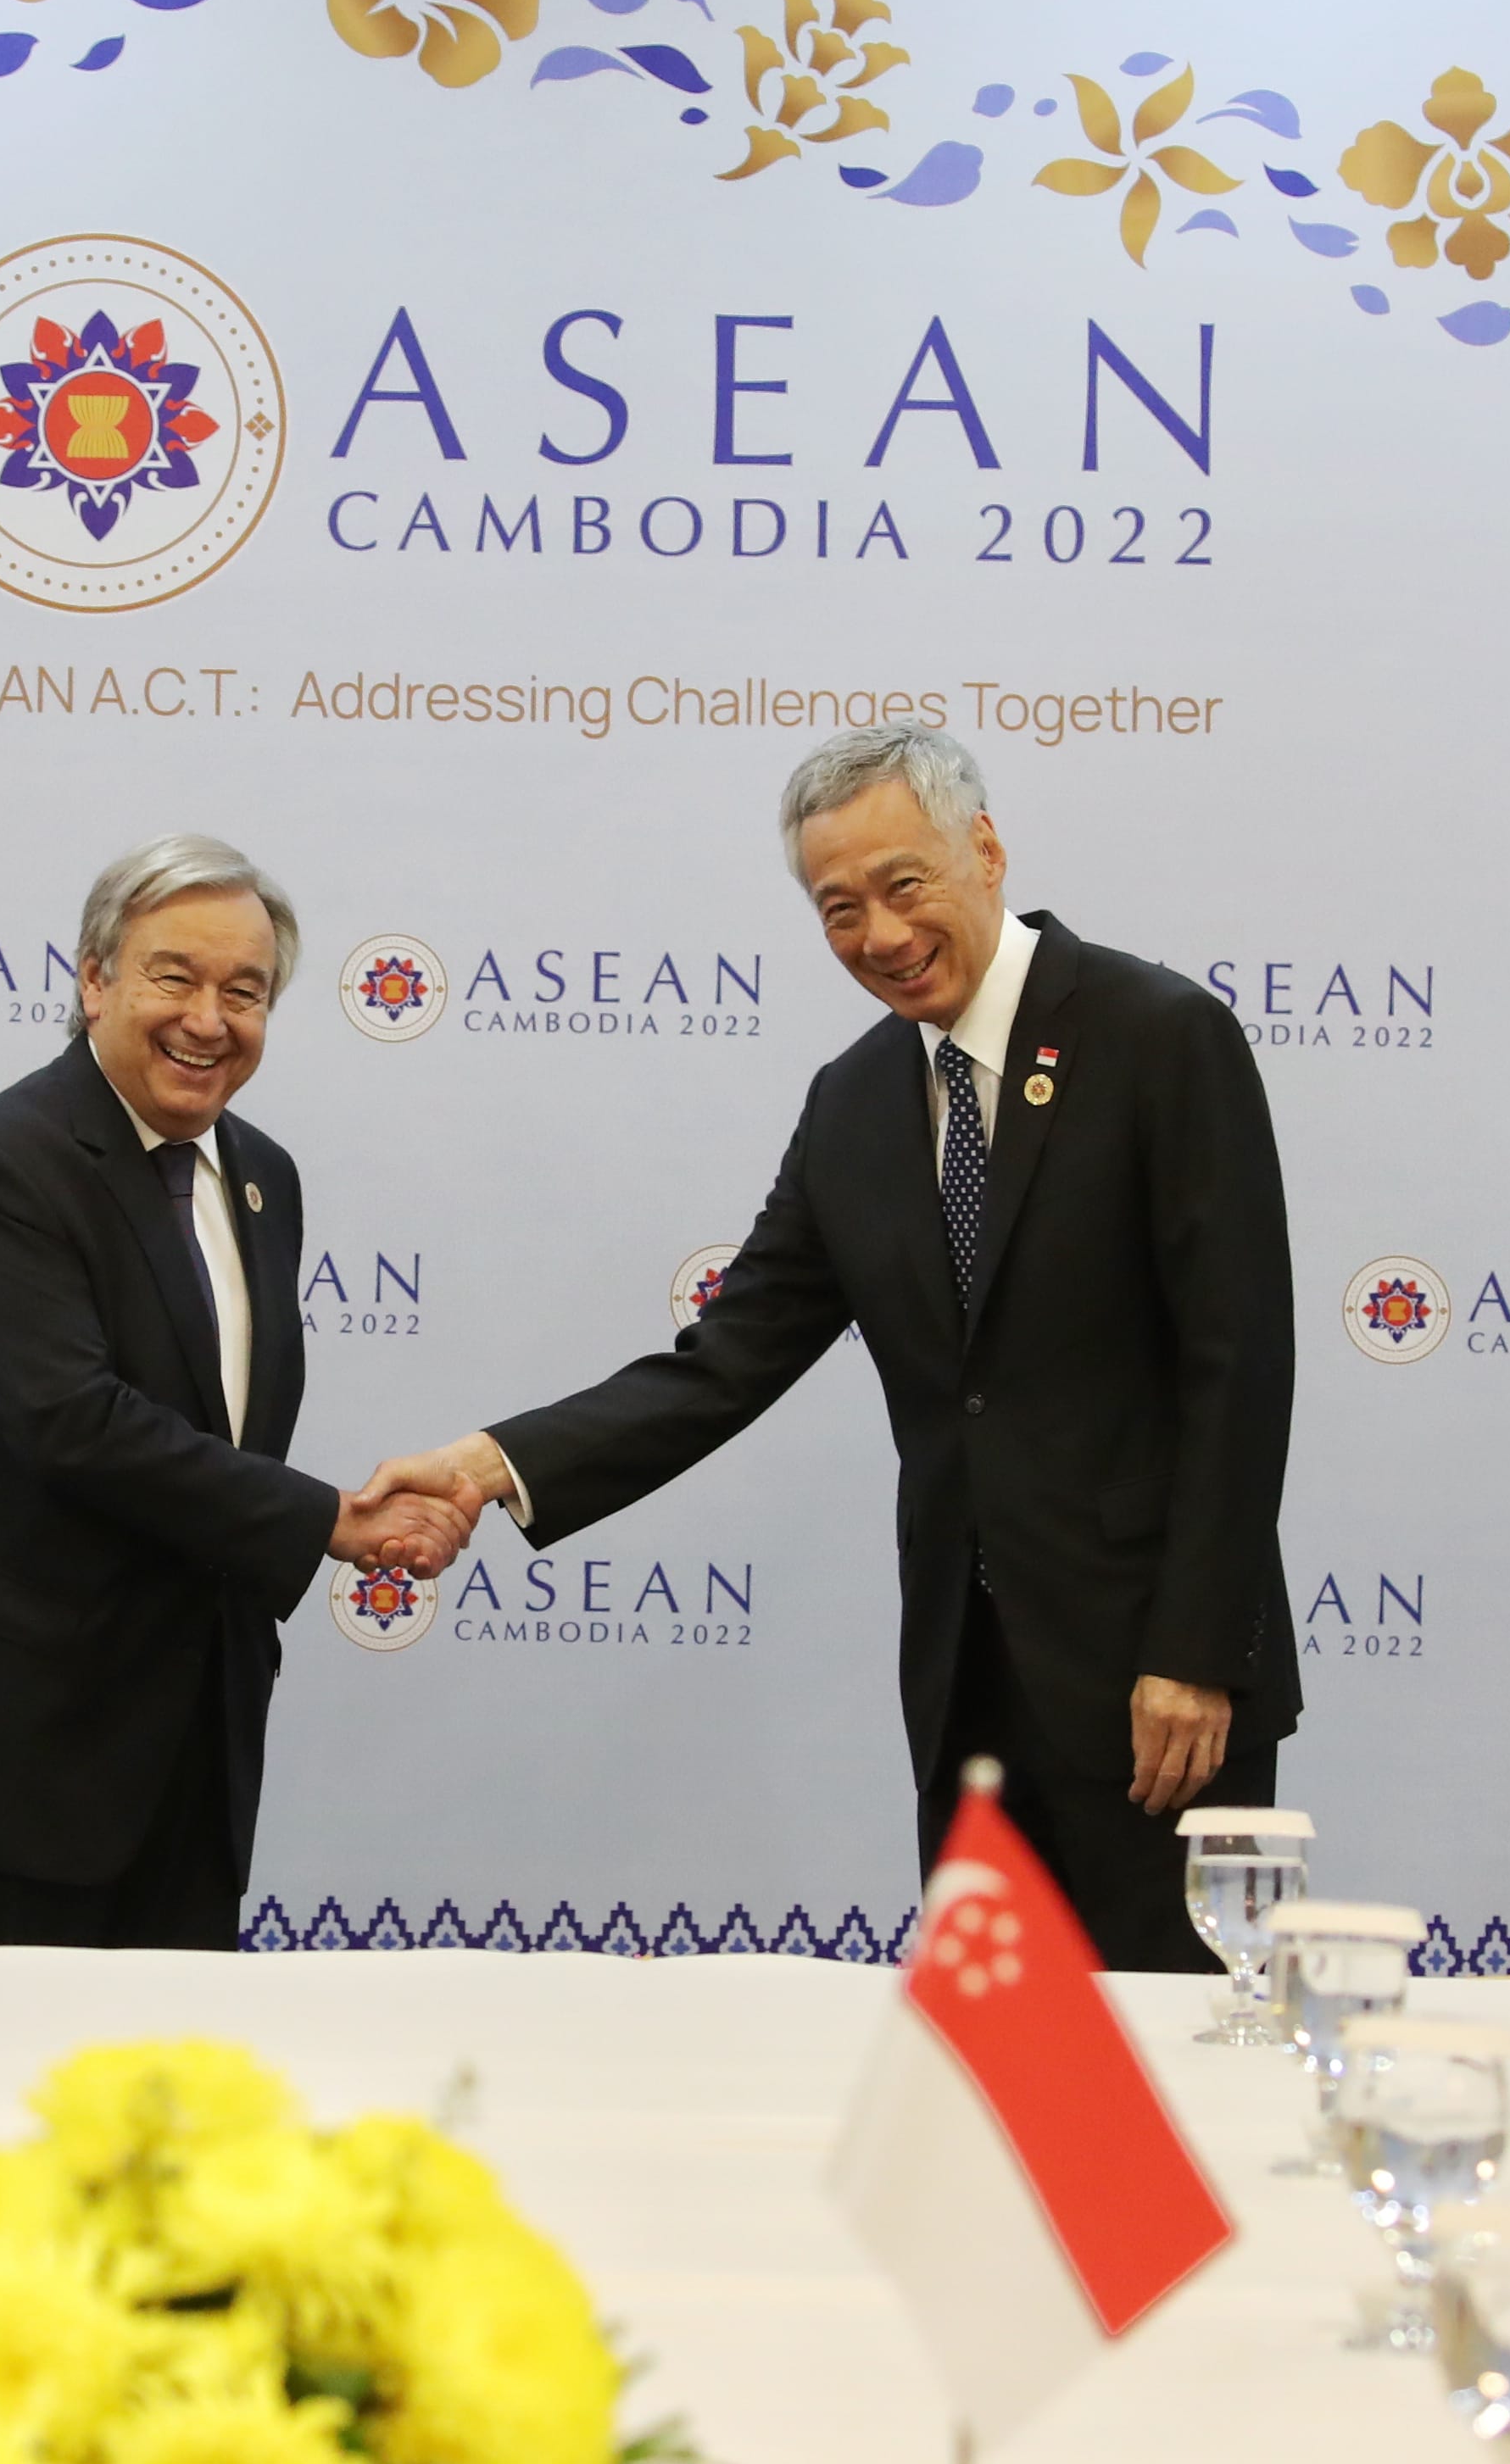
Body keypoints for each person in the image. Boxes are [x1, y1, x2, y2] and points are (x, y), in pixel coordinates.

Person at [357, 725, 1295, 1968]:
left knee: (1179, 2074)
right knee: (1006, 2076)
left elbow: (1240, 1363)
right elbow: (727, 1361)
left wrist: (1192, 1651)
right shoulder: (852, 1103)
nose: (881, 937)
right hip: (971, 1698)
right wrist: (487, 1463)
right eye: (838, 908)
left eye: (904, 886)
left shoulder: (1158, 1035)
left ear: (987, 850)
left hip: (1157, 1695)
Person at [0, 835, 463, 1948]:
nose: (208, 1020)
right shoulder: (4, 1160)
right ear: (94, 979)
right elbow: (71, 1424)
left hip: (191, 1763)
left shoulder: (264, 1176)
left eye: (246, 991)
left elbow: (223, 1427)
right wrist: (331, 1521)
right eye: (175, 976)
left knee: (176, 2112)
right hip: (1, 1763)